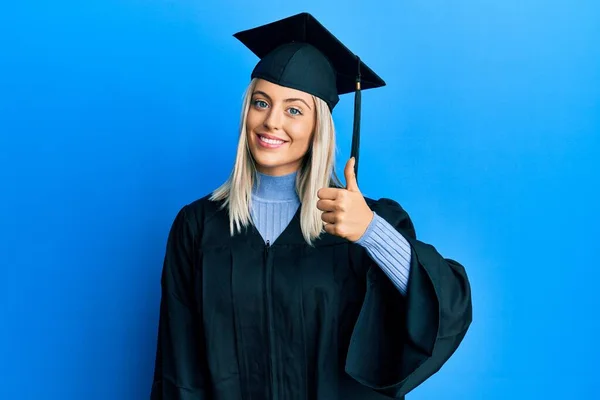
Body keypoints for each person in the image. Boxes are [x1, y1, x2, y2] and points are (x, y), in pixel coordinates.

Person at [150, 12, 472, 400]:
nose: (271, 122)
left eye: (294, 109)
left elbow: (445, 309)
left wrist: (371, 233)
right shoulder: (198, 227)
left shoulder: (365, 221)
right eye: (261, 102)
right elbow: (179, 364)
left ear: (319, 126)